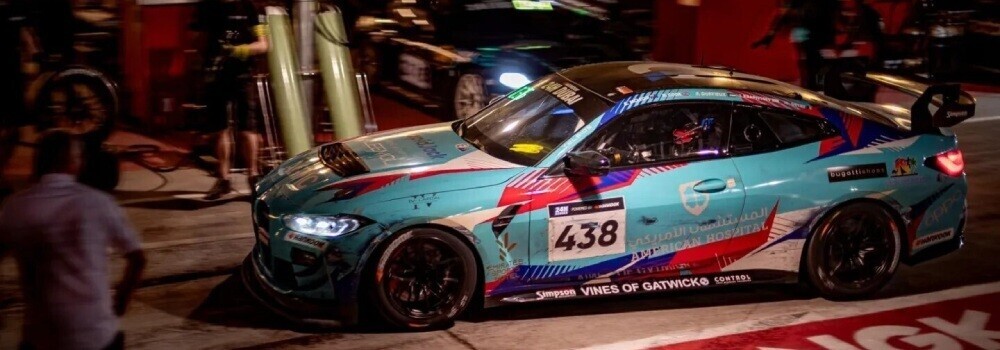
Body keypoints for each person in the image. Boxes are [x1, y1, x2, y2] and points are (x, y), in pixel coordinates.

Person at [0, 130, 147, 350]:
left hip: (41, 337)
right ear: (74, 163)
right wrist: (121, 300)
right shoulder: (98, 202)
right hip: (96, 335)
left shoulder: (15, 207)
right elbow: (137, 259)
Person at [193, 0, 270, 200]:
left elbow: (263, 44)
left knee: (248, 128)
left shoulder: (251, 7)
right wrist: (202, 68)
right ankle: (223, 179)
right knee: (220, 128)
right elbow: (200, 40)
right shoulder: (208, 7)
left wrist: (239, 51)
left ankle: (253, 178)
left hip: (243, 76)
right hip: (216, 75)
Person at [752, 0, 839, 91]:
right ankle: (811, 84)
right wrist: (771, 34)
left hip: (816, 30)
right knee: (810, 61)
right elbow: (787, 11)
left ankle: (813, 83)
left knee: (812, 61)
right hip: (809, 29)